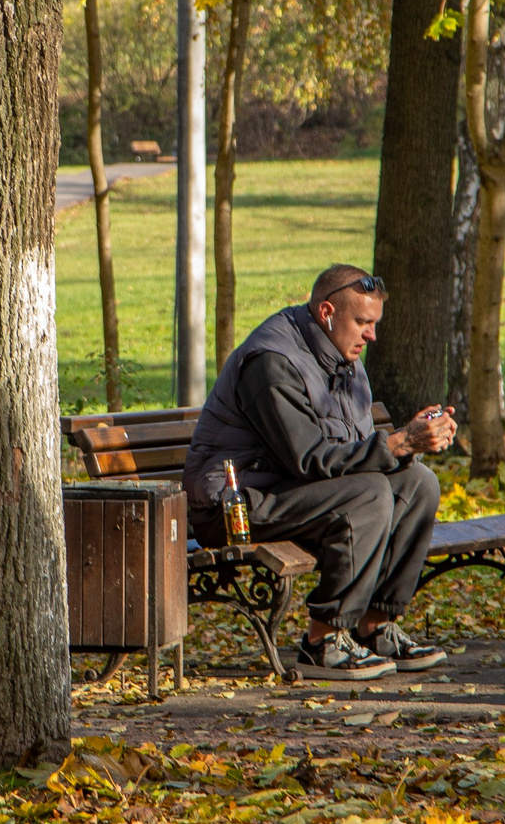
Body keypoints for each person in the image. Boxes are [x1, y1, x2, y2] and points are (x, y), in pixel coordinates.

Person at [183, 264, 458, 682]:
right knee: (369, 494)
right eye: (363, 323)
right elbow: (309, 459)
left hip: (290, 492)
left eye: (374, 324)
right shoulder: (272, 361)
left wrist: (408, 445)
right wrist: (399, 443)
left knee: (418, 483)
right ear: (327, 311)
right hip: (234, 504)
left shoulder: (344, 358)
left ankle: (374, 626)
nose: (372, 336)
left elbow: (353, 450)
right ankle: (322, 640)